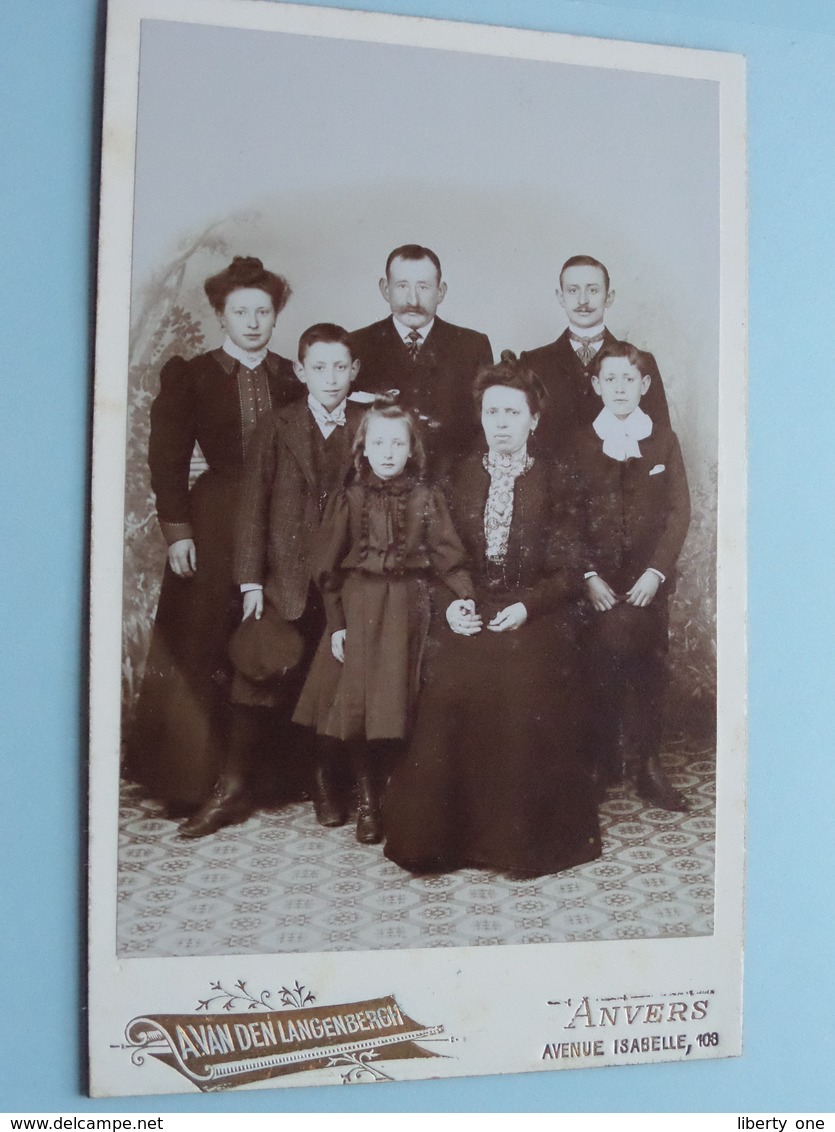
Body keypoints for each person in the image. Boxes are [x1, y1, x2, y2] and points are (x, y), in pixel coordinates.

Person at [383, 354, 602, 878]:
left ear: (534, 419)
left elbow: (569, 569)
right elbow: (442, 555)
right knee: (455, 677)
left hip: (538, 609)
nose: (501, 423)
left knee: (522, 677)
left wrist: (527, 607)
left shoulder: (559, 479)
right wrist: (456, 602)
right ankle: (443, 839)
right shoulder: (456, 475)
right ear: (480, 417)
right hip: (472, 603)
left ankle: (517, 842)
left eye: (512, 412)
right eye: (491, 412)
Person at [124, 256, 299, 814]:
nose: (252, 322)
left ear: (276, 317)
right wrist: (178, 533)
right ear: (222, 314)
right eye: (240, 311)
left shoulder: (292, 378)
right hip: (215, 517)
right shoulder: (193, 376)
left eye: (263, 312)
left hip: (279, 518)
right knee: (201, 643)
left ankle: (267, 778)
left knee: (268, 636)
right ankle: (187, 779)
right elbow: (167, 462)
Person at [177, 324, 364, 837]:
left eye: (339, 367)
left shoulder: (369, 426)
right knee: (257, 674)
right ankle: (232, 788)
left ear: (354, 372)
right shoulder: (277, 425)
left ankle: (324, 778)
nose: (330, 378)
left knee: (330, 678)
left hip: (345, 582)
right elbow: (253, 506)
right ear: (301, 371)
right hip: (283, 578)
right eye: (318, 367)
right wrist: (250, 582)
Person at [293, 399, 474, 844]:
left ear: (412, 449)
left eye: (398, 442)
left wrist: (465, 597)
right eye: (379, 442)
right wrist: (338, 625)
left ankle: (395, 793)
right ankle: (367, 801)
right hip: (359, 608)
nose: (388, 451)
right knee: (358, 707)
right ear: (363, 448)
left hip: (410, 608)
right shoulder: (349, 499)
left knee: (398, 706)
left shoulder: (427, 498)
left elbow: (449, 559)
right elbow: (327, 571)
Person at [568, 340, 691, 811]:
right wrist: (588, 575)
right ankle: (599, 760)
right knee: (596, 659)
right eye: (610, 379)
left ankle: (647, 764)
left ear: (644, 385)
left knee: (647, 659)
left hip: (646, 583)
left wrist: (656, 572)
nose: (620, 388)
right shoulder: (580, 441)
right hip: (594, 584)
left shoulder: (662, 438)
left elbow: (680, 512)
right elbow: (566, 516)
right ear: (597, 385)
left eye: (629, 380)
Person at [350, 244, 493, 474]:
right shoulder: (357, 345)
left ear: (441, 291)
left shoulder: (472, 346)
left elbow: (484, 427)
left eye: (424, 287)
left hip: (451, 482)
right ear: (385, 289)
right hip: (378, 486)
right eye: (402, 286)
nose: (413, 299)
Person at [520, 255, 670, 458]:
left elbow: (660, 440)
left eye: (593, 290)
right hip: (551, 486)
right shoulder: (533, 363)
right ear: (561, 297)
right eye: (573, 290)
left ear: (609, 297)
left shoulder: (642, 362)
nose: (583, 300)